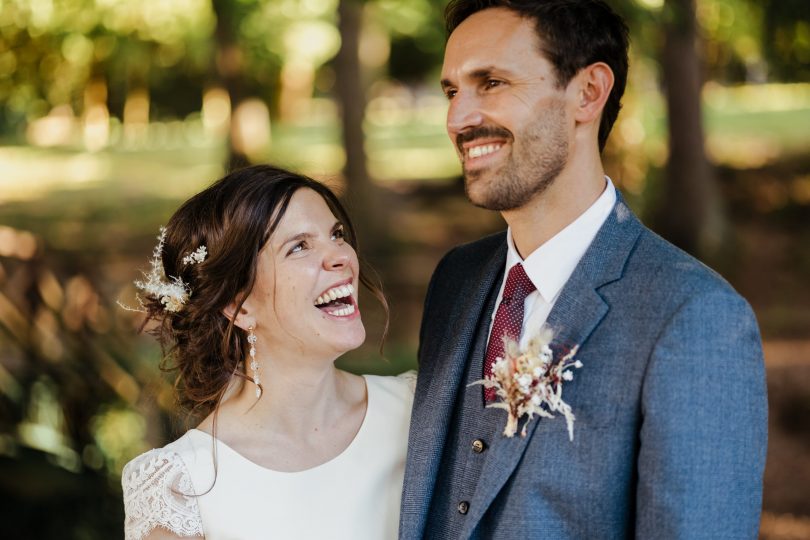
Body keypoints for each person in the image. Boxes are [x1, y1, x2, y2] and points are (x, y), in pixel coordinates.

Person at [399, 1, 767, 539]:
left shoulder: (694, 316)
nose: (458, 118)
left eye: (493, 83)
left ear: (588, 92)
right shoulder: (455, 280)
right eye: (452, 91)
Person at [121, 165, 415, 539]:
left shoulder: (414, 410)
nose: (341, 257)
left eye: (336, 234)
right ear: (239, 307)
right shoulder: (181, 487)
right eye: (299, 247)